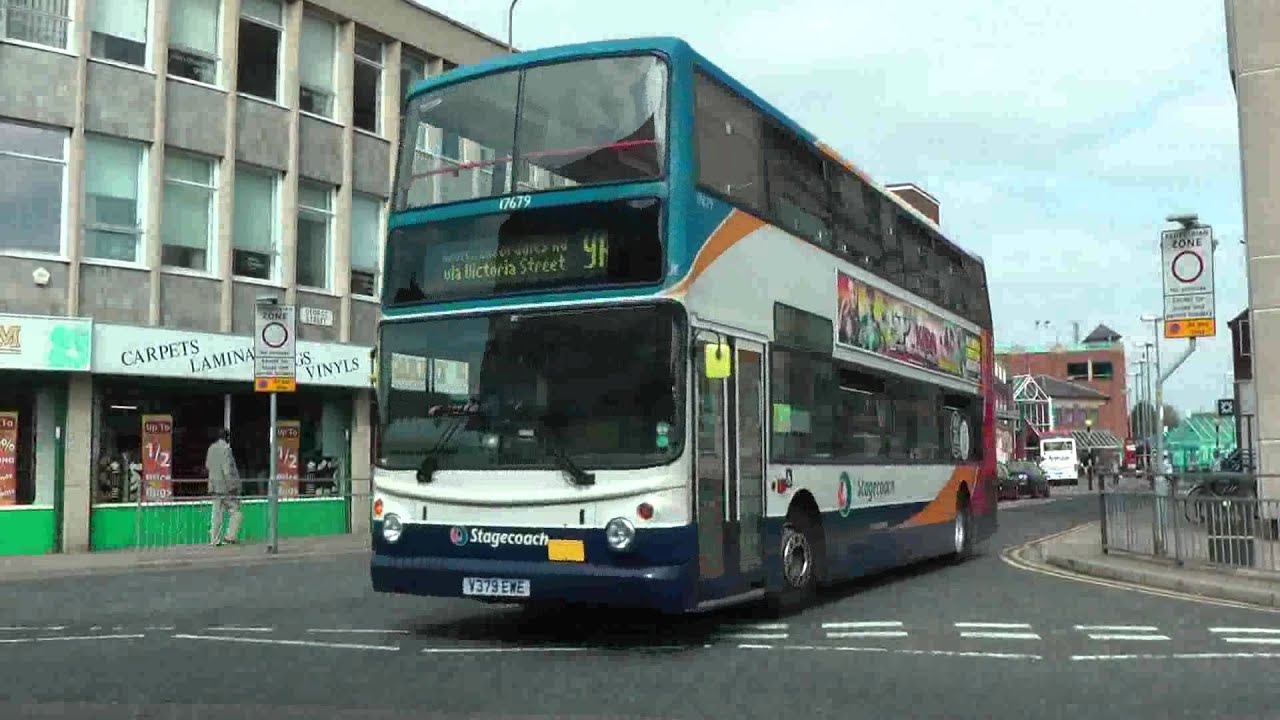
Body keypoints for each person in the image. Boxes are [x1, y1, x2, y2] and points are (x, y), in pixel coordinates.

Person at [205, 428, 242, 546]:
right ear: (227, 437)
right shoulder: (226, 449)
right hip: (225, 488)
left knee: (216, 514)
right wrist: (232, 486)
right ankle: (230, 536)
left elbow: (207, 465)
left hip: (214, 486)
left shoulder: (211, 448)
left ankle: (214, 540)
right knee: (236, 512)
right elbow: (227, 470)